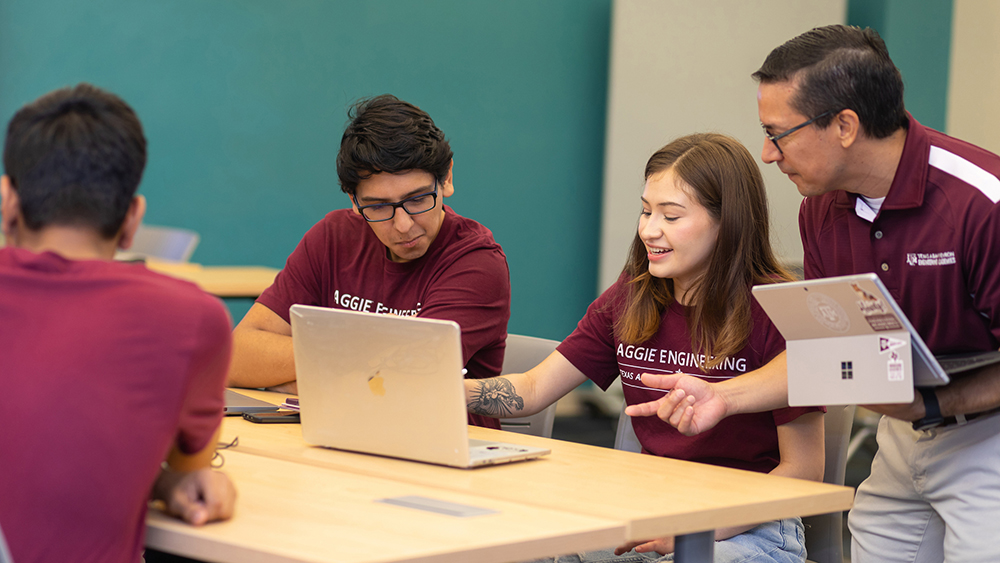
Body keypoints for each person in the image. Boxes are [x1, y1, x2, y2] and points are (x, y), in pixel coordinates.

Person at [631, 25, 1000, 563]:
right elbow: (828, 354)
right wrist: (723, 397)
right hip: (904, 438)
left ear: (845, 126)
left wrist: (939, 402)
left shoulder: (981, 203)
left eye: (777, 133)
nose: (766, 153)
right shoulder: (821, 209)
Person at [467, 133, 825, 562]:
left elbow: (804, 471)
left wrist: (698, 530)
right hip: (651, 508)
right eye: (645, 210)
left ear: (727, 221)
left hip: (750, 527)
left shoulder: (777, 307)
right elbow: (531, 389)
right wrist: (442, 392)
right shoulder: (632, 297)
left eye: (671, 216)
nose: (649, 230)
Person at [0, 84, 236, 562]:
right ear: (133, 219)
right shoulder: (191, 321)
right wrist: (174, 480)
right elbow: (191, 467)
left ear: (7, 202)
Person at [227, 94, 511, 429]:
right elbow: (236, 355)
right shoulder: (332, 238)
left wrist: (294, 374)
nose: (403, 225)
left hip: (440, 455)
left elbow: (399, 389)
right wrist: (356, 362)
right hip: (341, 440)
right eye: (377, 207)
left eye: (418, 199)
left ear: (446, 178)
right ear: (353, 201)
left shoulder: (476, 263)